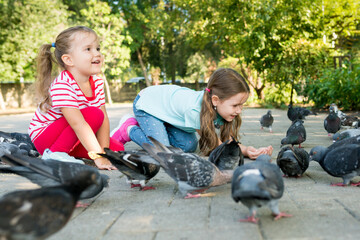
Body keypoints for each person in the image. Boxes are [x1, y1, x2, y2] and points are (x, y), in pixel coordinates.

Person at [111, 68, 273, 159]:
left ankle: (159, 128)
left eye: (241, 105)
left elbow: (227, 140)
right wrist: (243, 151)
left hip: (167, 111)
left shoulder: (218, 106)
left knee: (188, 146)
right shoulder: (196, 110)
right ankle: (129, 129)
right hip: (148, 104)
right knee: (163, 153)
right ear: (215, 100)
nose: (239, 110)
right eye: (235, 105)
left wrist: (247, 149)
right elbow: (217, 143)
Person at [28, 26, 122, 170]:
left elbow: (104, 119)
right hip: (45, 137)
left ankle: (67, 153)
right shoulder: (63, 84)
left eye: (98, 48)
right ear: (68, 59)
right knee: (93, 114)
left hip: (73, 134)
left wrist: (105, 153)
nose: (97, 54)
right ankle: (55, 154)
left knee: (117, 150)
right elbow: (79, 124)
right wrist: (98, 157)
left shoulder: (96, 81)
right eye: (88, 49)